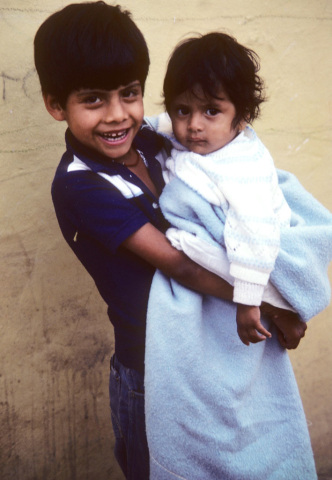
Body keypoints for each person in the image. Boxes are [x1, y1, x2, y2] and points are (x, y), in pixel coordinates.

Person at [34, 6, 309, 480]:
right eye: (94, 100)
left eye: (130, 94)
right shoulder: (81, 185)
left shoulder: (152, 141)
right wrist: (272, 305)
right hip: (153, 369)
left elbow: (232, 175)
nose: (118, 115)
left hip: (211, 355)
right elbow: (181, 265)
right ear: (56, 105)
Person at [143, 33, 331, 479]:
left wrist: (250, 302)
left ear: (242, 117)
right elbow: (160, 125)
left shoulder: (241, 169)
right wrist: (141, 124)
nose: (193, 126)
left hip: (253, 267)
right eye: (182, 110)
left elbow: (255, 238)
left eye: (212, 111)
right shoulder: (200, 141)